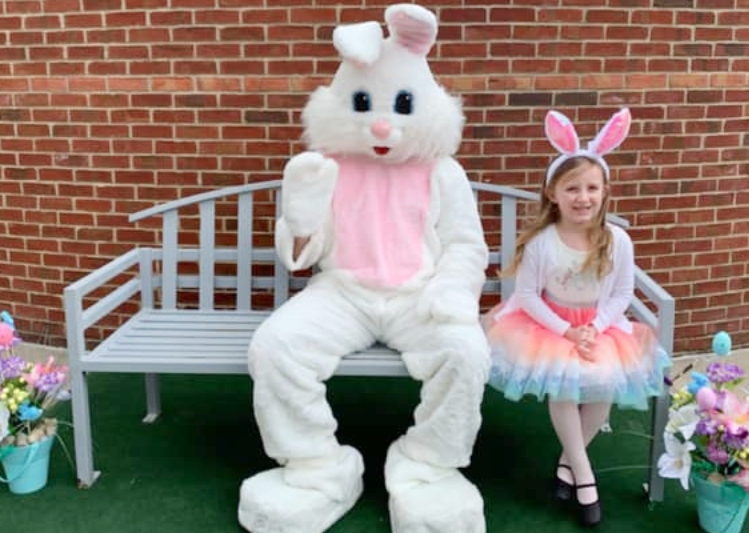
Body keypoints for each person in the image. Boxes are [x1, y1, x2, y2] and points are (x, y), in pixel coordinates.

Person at [238, 5, 490, 533]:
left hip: (418, 293)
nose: (381, 121)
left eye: (401, 104)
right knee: (275, 346)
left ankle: (427, 466)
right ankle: (316, 467)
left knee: (466, 352)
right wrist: (300, 218)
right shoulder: (329, 167)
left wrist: (452, 291)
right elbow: (303, 254)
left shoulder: (442, 171)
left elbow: (465, 244)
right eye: (363, 102)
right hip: (343, 291)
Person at [482, 107, 671, 528]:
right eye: (571, 188)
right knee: (564, 387)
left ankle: (567, 462)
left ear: (604, 192)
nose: (582, 197)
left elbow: (622, 293)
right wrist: (568, 331)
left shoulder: (617, 240)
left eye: (591, 188)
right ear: (553, 193)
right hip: (550, 326)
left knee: (602, 390)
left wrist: (594, 329)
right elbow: (527, 295)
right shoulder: (543, 242)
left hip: (601, 326)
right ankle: (584, 476)